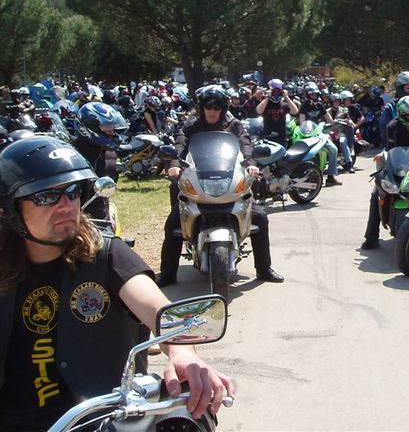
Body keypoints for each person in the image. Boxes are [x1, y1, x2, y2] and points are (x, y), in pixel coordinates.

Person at [0, 136, 234, 431]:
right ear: (9, 208)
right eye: (46, 196)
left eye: (72, 192)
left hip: (100, 421)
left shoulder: (106, 254)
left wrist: (182, 351)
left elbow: (158, 309)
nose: (66, 205)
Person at [157, 85, 283, 286]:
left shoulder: (233, 125)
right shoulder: (191, 125)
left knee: (260, 218)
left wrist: (251, 163)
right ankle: (168, 273)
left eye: (217, 107)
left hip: (229, 182)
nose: (212, 111)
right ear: (202, 108)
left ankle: (264, 269)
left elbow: (246, 144)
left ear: (223, 108)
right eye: (208, 106)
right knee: (173, 223)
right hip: (199, 182)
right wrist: (173, 164)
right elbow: (180, 144)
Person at [361, 96, 409, 250]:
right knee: (376, 193)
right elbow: (390, 149)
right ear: (401, 115)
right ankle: (371, 237)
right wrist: (383, 158)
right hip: (396, 163)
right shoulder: (392, 127)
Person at [72, 102, 127, 220]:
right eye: (107, 129)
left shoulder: (109, 154)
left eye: (113, 128)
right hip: (79, 220)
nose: (112, 133)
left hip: (102, 217)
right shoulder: (73, 157)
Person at [298, 83, 341, 186]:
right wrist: (304, 128)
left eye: (315, 94)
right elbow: (302, 122)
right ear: (307, 95)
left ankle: (330, 177)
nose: (314, 96)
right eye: (312, 94)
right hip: (307, 134)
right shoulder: (303, 106)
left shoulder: (320, 105)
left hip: (319, 133)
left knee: (333, 149)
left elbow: (329, 120)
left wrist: (329, 124)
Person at [256, 79, 299, 147]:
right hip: (268, 137)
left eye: (278, 91)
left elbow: (295, 111)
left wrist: (287, 97)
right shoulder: (266, 103)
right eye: (274, 91)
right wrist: (267, 97)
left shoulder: (284, 104)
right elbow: (259, 111)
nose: (276, 93)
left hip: (281, 138)